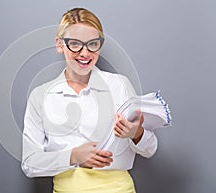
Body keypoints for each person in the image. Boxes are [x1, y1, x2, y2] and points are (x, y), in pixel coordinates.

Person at [22, 7, 158, 193]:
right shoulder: (41, 96)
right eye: (75, 44)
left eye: (92, 44)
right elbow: (30, 164)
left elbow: (150, 149)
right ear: (60, 45)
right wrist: (72, 157)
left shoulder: (119, 86)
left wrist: (137, 133)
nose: (85, 53)